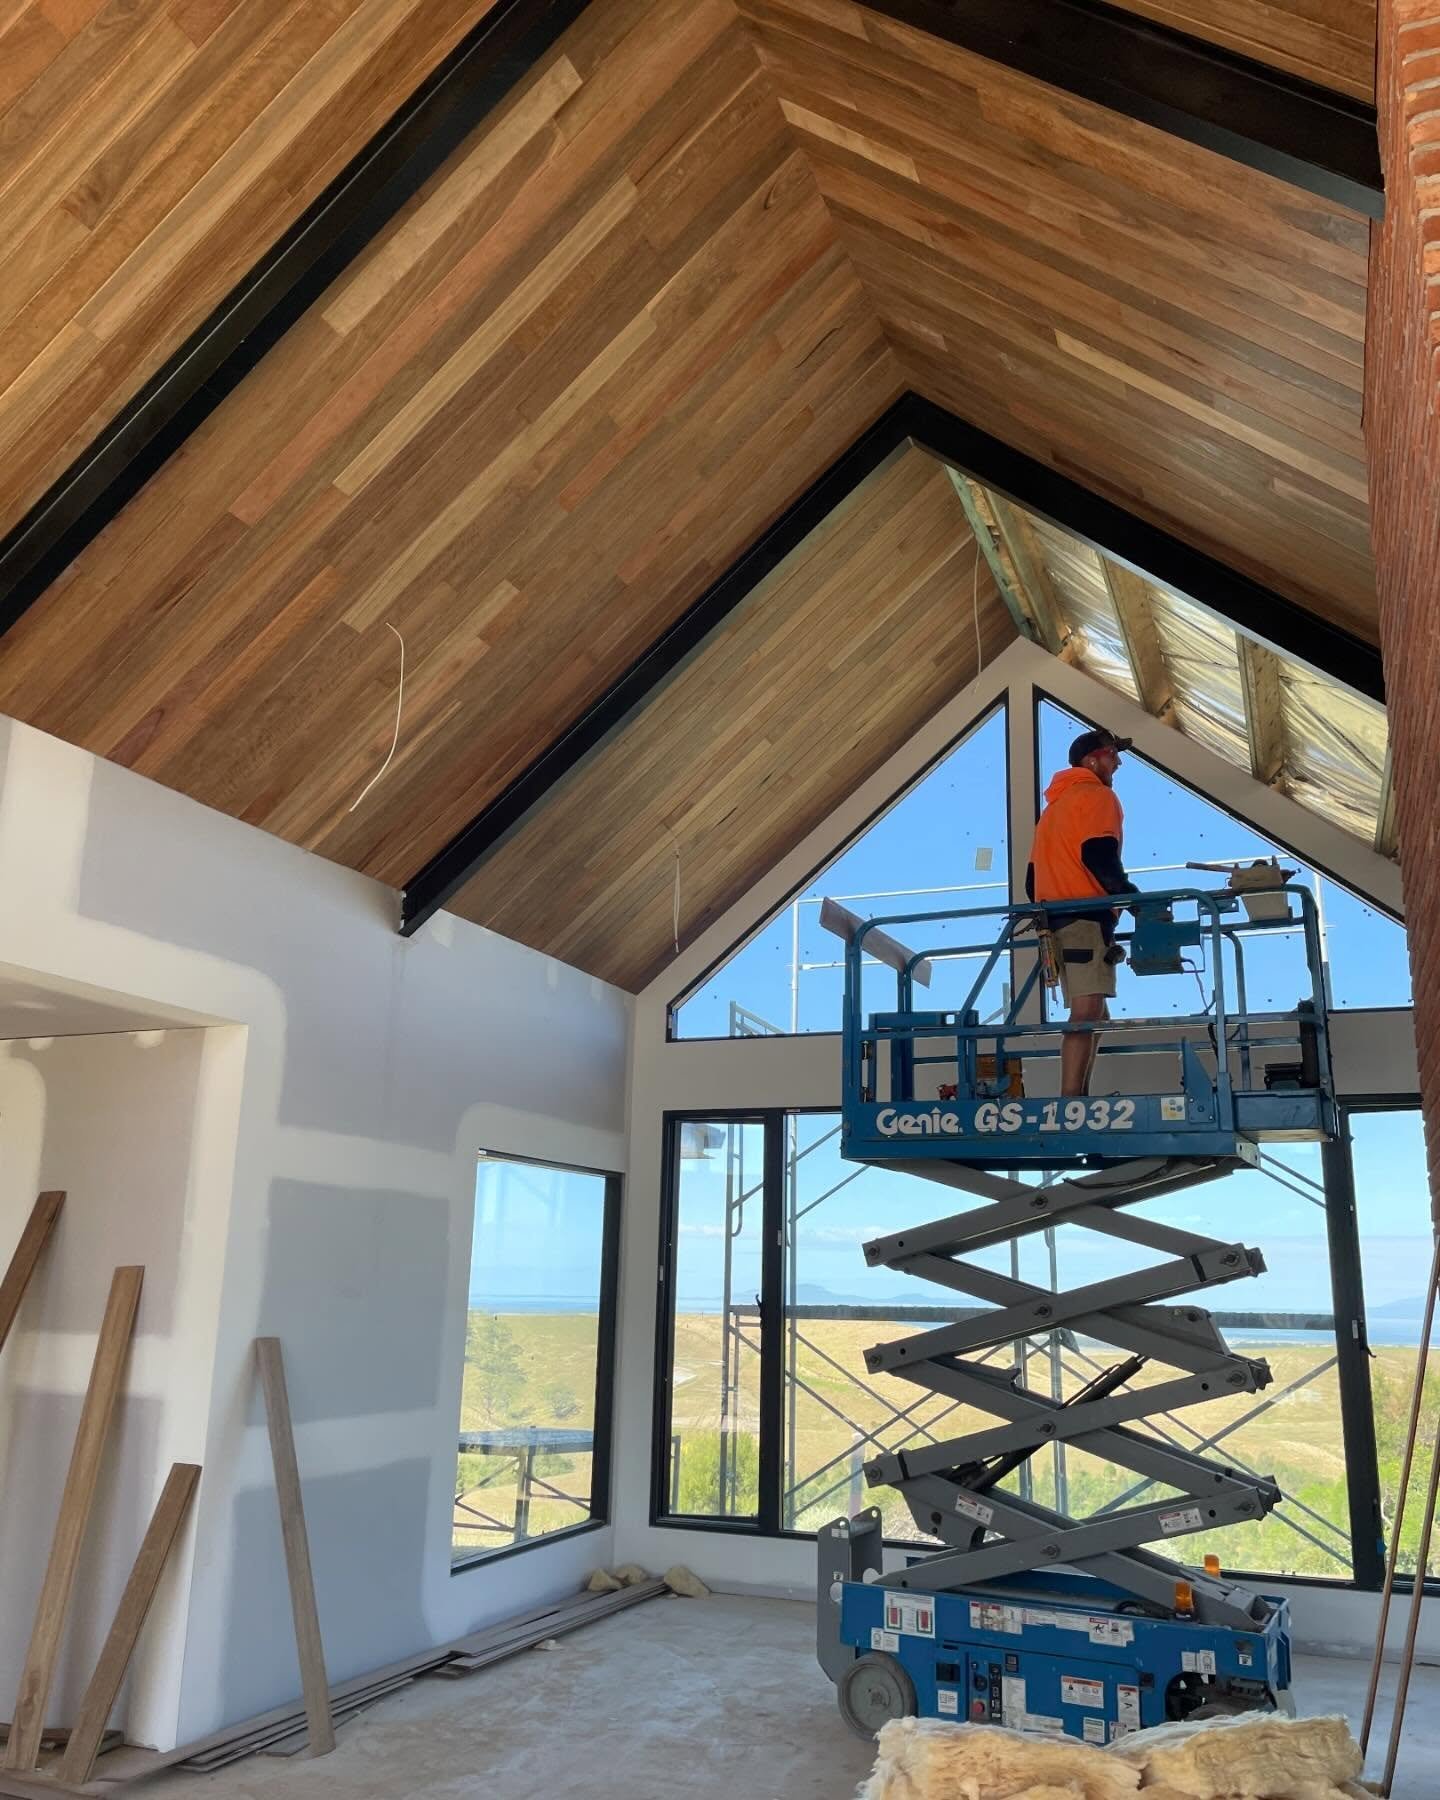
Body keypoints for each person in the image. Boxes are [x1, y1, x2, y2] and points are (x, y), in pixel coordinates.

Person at [1026, 728, 1141, 1097]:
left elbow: (1032, 881)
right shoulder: (1097, 796)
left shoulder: (1052, 811)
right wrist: (1132, 898)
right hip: (1084, 918)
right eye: (1111, 755)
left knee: (1096, 1015)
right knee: (1087, 1012)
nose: (1118, 762)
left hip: (1055, 921)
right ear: (1091, 760)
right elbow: (1098, 856)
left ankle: (1078, 1095)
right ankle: (1072, 1101)